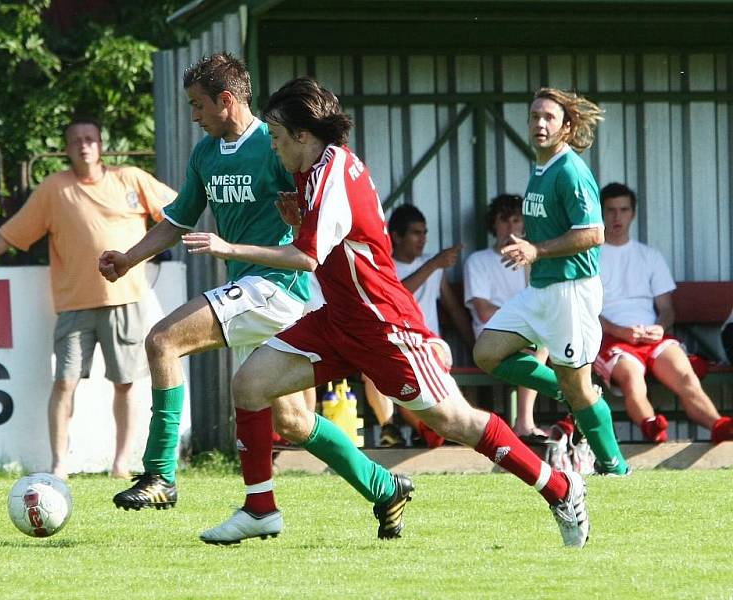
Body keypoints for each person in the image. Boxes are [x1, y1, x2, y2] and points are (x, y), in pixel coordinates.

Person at [186, 77, 591, 548]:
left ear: (302, 135)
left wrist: (227, 246)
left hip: (384, 327)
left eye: (276, 138)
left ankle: (561, 488)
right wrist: (302, 220)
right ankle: (260, 509)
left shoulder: (330, 176)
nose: (272, 148)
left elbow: (307, 258)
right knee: (250, 384)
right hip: (338, 320)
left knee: (456, 422)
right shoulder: (316, 164)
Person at [99, 53, 311, 512]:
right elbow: (177, 220)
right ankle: (383, 486)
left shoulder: (272, 146)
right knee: (293, 421)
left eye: (198, 105)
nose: (193, 116)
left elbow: (315, 210)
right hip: (251, 289)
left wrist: (302, 215)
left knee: (162, 341)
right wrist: (129, 259)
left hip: (277, 286)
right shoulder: (206, 154)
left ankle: (160, 474)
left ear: (226, 100)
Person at [0, 116, 176, 480]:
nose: (84, 145)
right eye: (76, 140)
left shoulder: (130, 178)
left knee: (125, 383)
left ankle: (121, 463)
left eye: (90, 139)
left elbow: (181, 211)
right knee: (64, 382)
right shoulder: (53, 189)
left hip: (126, 300)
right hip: (74, 304)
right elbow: (13, 233)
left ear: (102, 145)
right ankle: (60, 463)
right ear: (66, 149)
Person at [472, 87, 629, 476]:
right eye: (534, 116)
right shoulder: (540, 168)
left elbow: (594, 233)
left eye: (549, 118)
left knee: (579, 388)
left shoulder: (570, 170)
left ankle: (616, 468)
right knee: (487, 353)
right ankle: (570, 391)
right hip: (540, 289)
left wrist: (536, 251)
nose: (540, 124)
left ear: (566, 126)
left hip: (571, 290)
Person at [594, 182, 733, 443]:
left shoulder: (650, 256)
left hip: (651, 336)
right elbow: (585, 312)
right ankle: (651, 426)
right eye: (611, 210)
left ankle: (720, 426)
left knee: (685, 375)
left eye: (623, 210)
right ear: (601, 213)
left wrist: (660, 326)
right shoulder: (591, 257)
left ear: (632, 214)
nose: (617, 217)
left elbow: (667, 309)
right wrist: (618, 330)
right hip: (611, 338)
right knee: (632, 378)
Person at [366, 204, 473, 448]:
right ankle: (399, 429)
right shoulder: (384, 267)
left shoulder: (434, 267)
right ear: (396, 236)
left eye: (424, 233)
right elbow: (395, 299)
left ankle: (428, 429)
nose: (422, 239)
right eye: (416, 233)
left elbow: (455, 310)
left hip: (429, 344)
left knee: (421, 371)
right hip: (392, 344)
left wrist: (474, 348)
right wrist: (434, 264)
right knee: (375, 367)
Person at [463, 193, 548, 441]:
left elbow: (541, 302)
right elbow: (483, 311)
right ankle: (525, 424)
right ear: (493, 224)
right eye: (504, 220)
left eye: (516, 220)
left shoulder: (532, 261)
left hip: (528, 332)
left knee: (554, 346)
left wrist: (528, 261)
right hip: (491, 333)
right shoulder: (478, 261)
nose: (511, 227)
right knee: (537, 347)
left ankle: (574, 421)